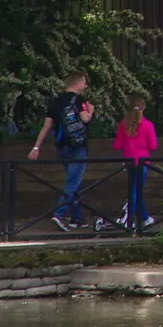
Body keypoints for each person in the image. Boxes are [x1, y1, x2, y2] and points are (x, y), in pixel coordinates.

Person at [28, 72, 94, 230]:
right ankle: (59, 214)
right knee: (73, 182)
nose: (85, 86)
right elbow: (85, 119)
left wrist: (36, 147)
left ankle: (77, 218)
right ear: (77, 83)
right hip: (78, 147)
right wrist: (91, 110)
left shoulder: (56, 102)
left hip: (61, 147)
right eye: (84, 83)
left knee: (75, 182)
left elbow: (47, 126)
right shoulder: (79, 100)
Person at [113, 94, 159, 230]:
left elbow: (117, 145)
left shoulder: (123, 125)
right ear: (143, 107)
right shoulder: (148, 126)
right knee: (136, 191)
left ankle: (145, 218)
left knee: (135, 190)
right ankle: (132, 219)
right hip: (143, 162)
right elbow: (153, 146)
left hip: (129, 163)